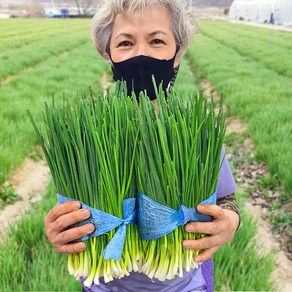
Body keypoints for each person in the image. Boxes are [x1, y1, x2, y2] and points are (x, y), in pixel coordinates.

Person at [44, 1, 240, 291]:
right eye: (125, 43)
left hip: (184, 283)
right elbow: (74, 205)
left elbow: (227, 200)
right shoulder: (87, 134)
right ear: (108, 54)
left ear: (177, 55)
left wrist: (230, 222)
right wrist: (60, 228)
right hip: (103, 282)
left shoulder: (198, 132)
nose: (140, 54)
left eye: (157, 41)